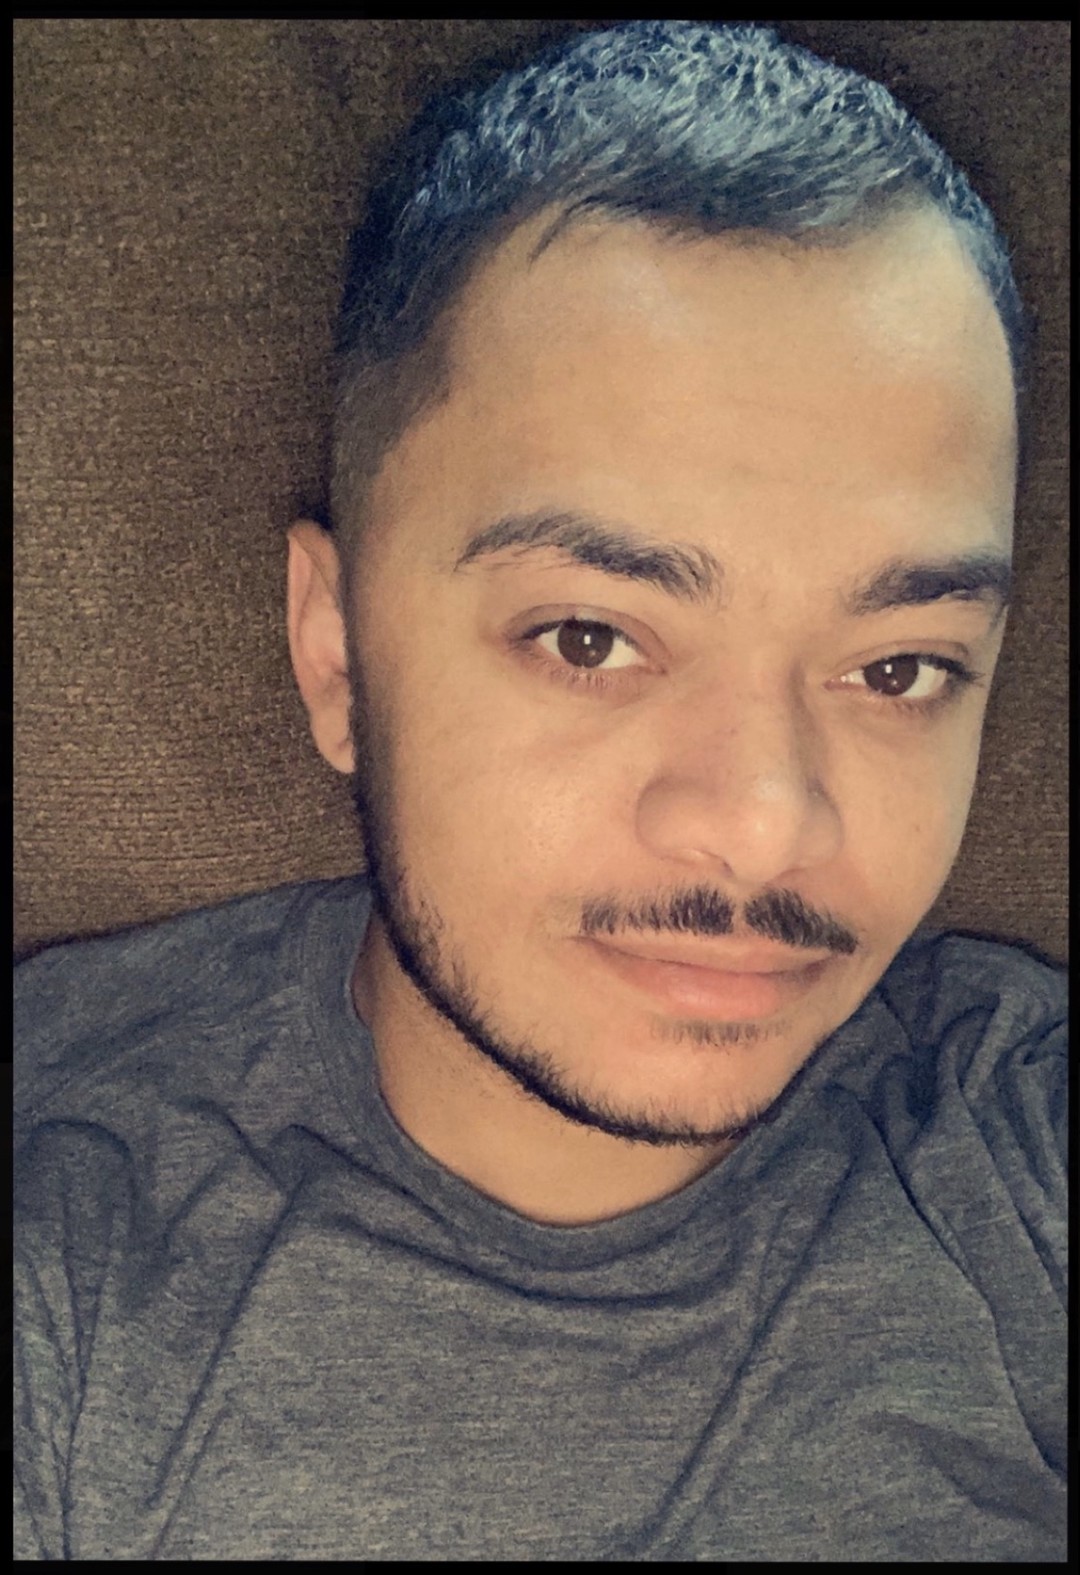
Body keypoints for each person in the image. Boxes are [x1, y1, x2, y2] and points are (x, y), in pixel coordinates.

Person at [14, 20, 1065, 1561]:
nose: (766, 823)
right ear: (337, 657)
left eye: (899, 668)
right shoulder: (66, 1213)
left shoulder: (1018, 1144)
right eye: (590, 639)